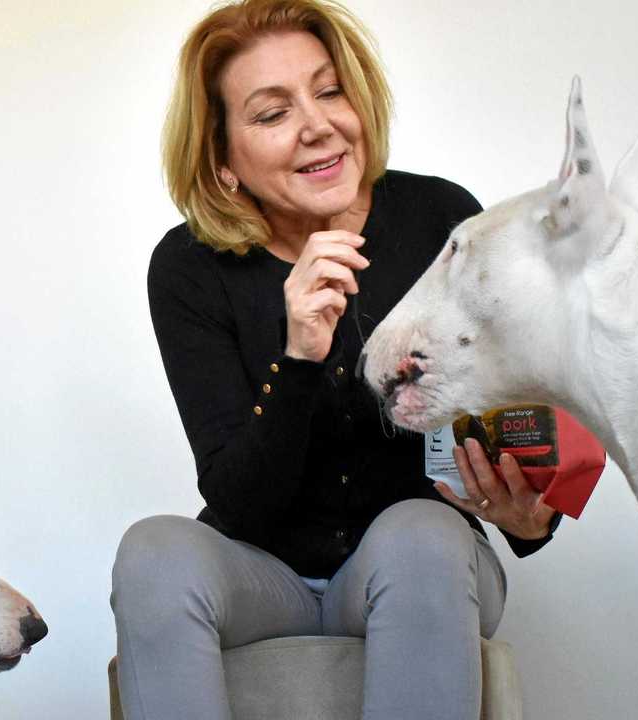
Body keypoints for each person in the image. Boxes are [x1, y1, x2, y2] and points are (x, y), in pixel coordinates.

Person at [111, 2, 561, 718]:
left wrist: (528, 518)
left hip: (421, 564)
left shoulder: (439, 219)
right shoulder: (188, 268)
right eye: (271, 113)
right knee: (153, 551)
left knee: (417, 534)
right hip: (263, 577)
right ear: (223, 161)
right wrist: (299, 355)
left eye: (329, 91)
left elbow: (509, 417)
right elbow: (239, 499)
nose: (318, 124)